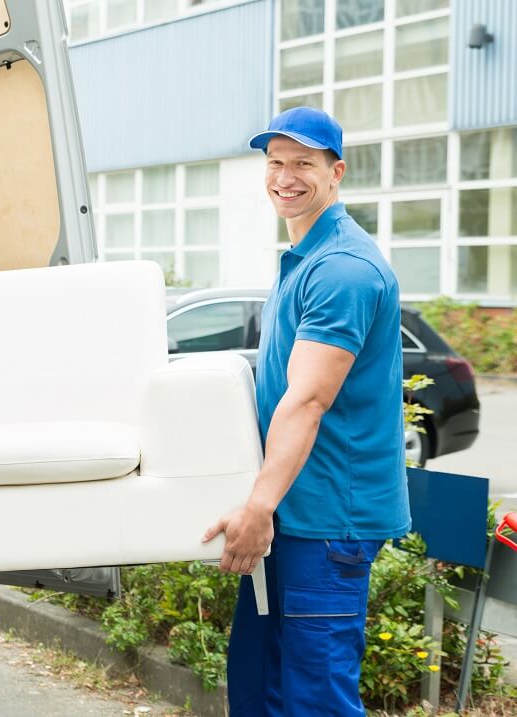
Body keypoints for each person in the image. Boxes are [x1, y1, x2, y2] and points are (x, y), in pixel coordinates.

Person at [202, 107, 410, 715]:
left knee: (314, 697)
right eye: (274, 163)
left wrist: (258, 507)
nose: (284, 176)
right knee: (262, 687)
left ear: (336, 171)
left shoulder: (342, 269)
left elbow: (310, 399)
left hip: (326, 522)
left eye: (303, 164)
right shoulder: (306, 258)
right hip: (294, 514)